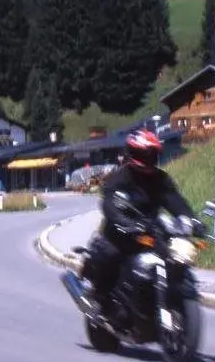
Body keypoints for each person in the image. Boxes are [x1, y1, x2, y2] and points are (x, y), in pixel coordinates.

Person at [80, 128, 204, 313]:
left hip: (151, 232)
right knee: (111, 255)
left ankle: (162, 300)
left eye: (151, 154)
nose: (147, 158)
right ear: (132, 153)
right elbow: (109, 204)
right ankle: (98, 299)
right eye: (143, 154)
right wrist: (124, 222)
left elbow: (176, 202)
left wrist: (193, 221)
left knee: (174, 260)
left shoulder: (161, 179)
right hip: (120, 234)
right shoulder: (120, 177)